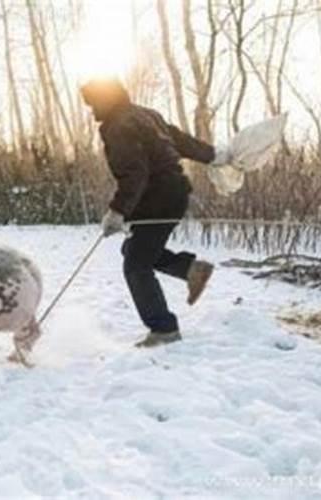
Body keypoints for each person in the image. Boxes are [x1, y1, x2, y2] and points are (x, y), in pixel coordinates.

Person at [79, 77, 231, 347]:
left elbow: (134, 173)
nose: (92, 112)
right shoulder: (146, 115)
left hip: (157, 198)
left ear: (106, 99)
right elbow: (180, 141)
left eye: (93, 104)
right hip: (174, 194)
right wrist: (212, 155)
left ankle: (164, 329)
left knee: (136, 264)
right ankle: (190, 269)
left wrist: (117, 211)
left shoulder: (118, 126)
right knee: (135, 251)